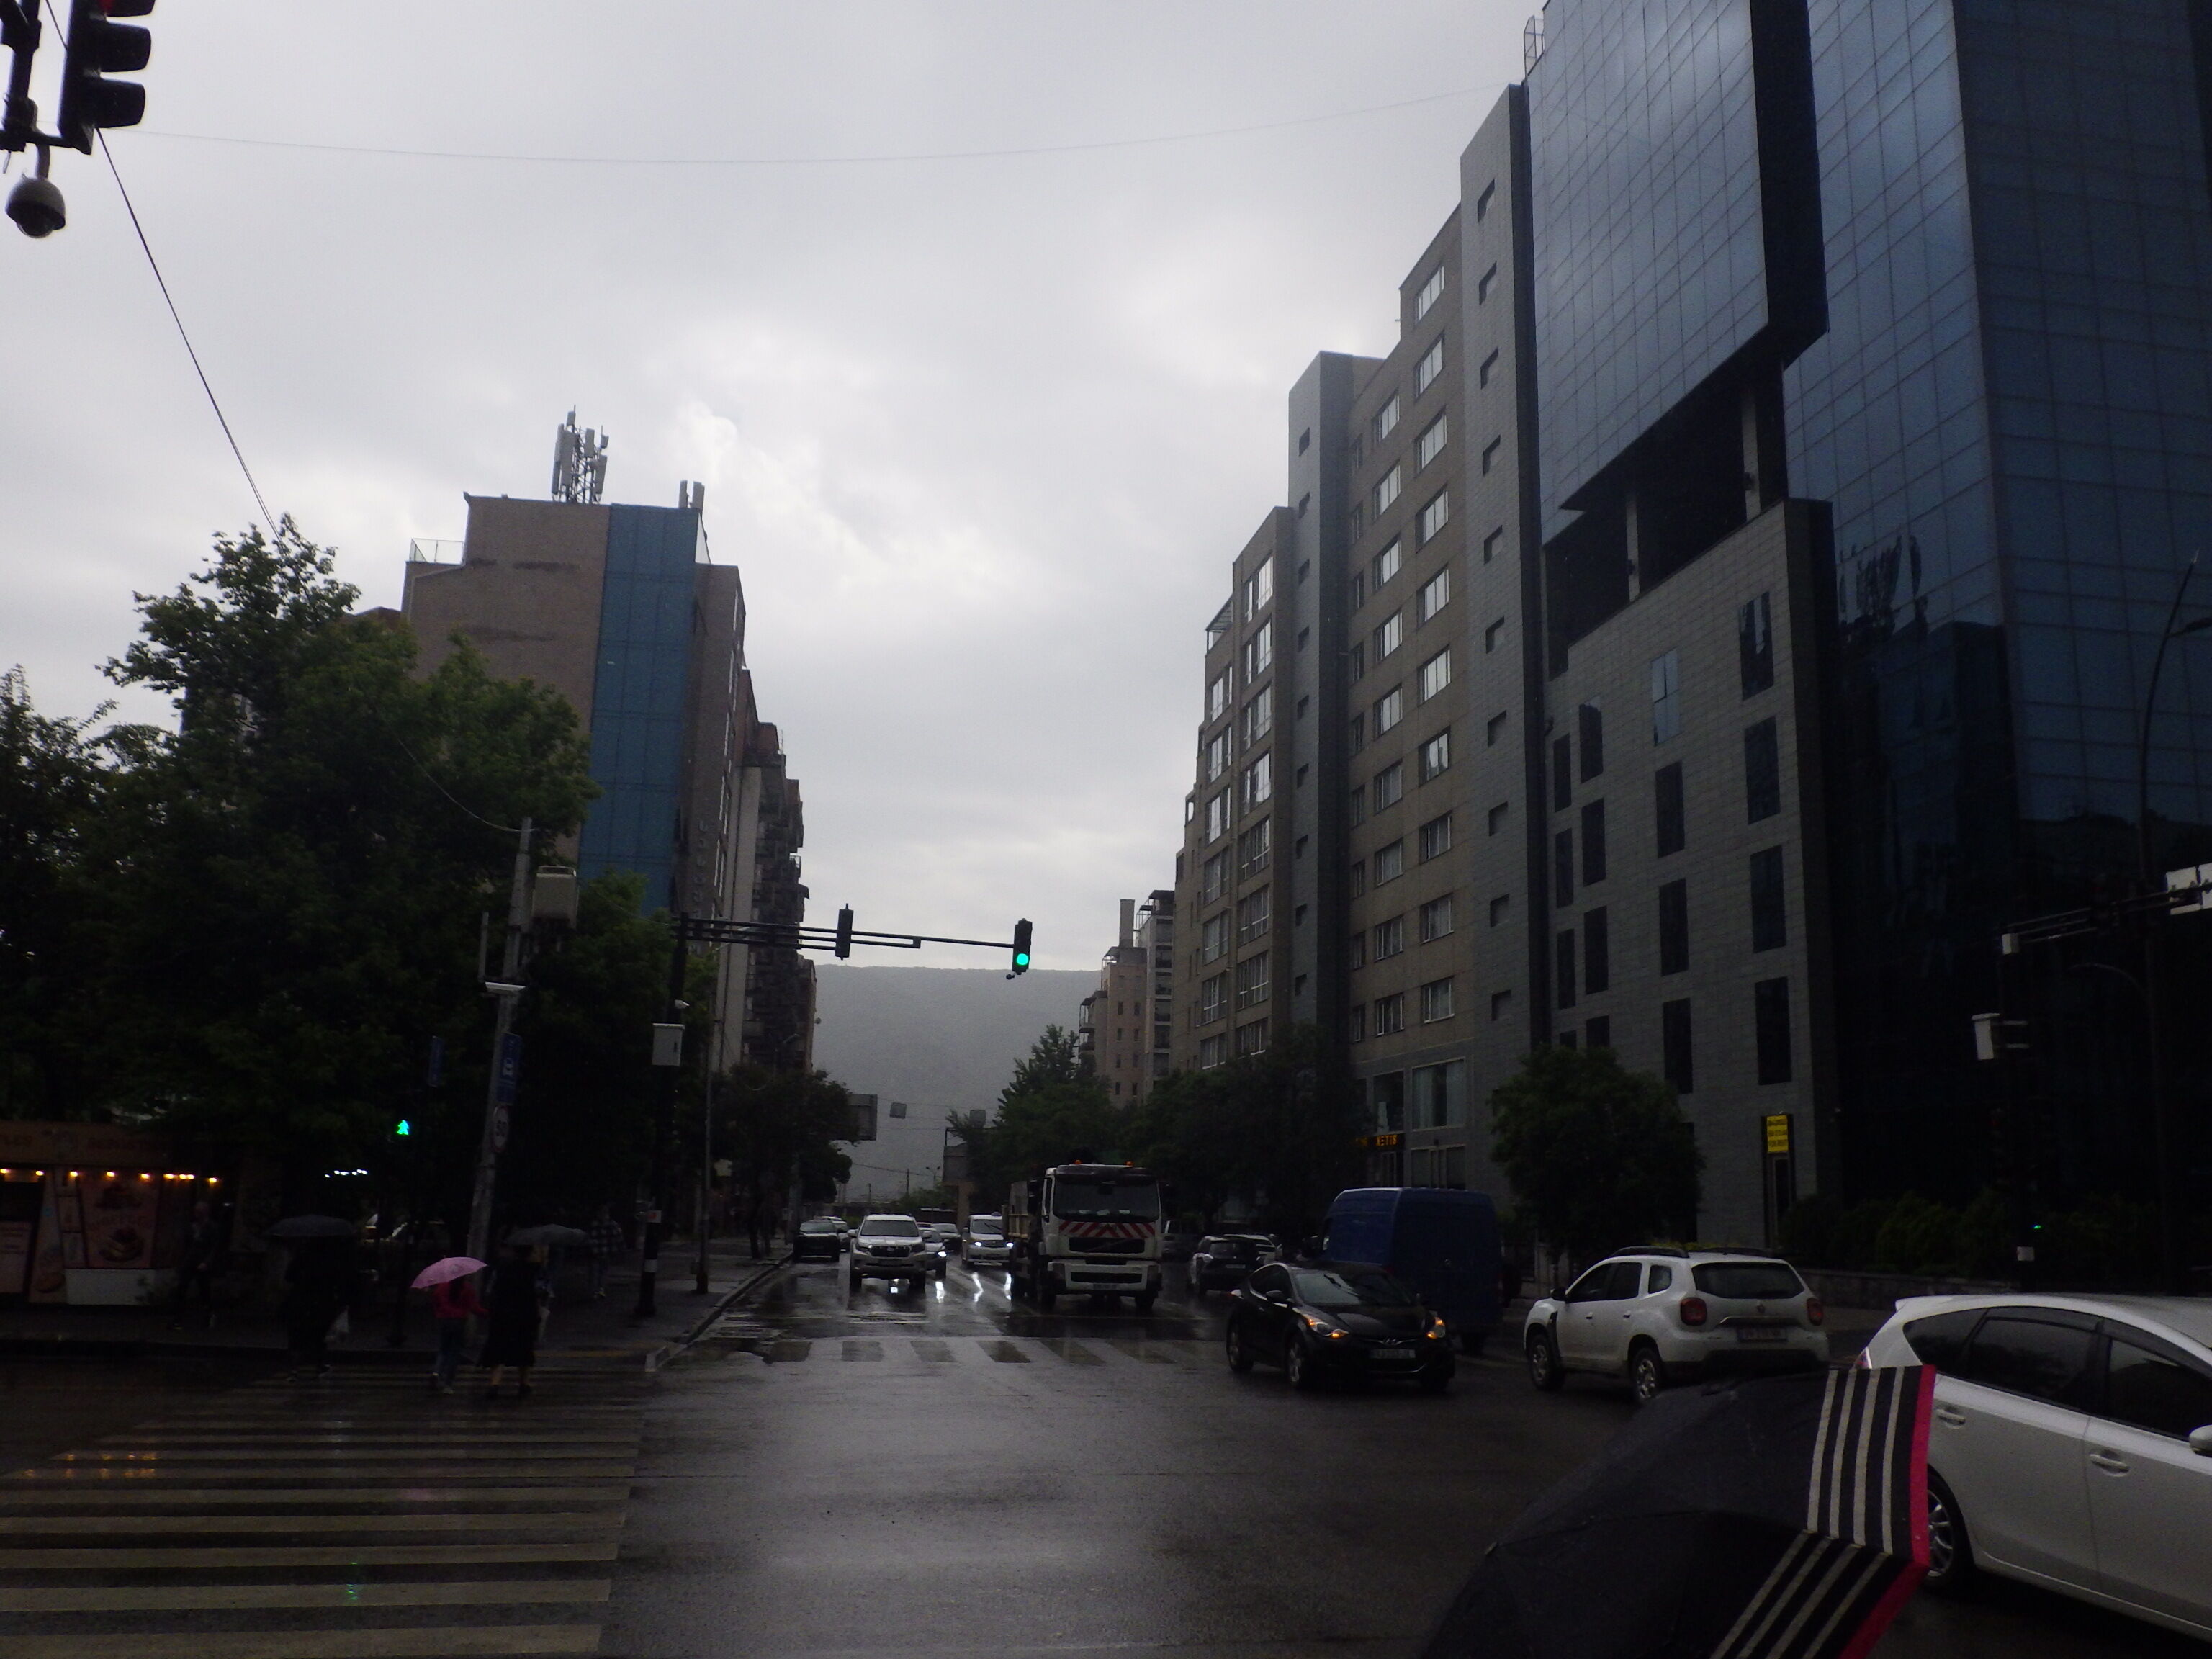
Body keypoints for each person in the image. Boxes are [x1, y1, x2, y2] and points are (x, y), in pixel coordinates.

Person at [282, 1236, 354, 1380]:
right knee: (319, 1335)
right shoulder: (329, 1262)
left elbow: (288, 1277)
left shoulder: (301, 1259)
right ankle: (320, 1366)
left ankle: (294, 1369)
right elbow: (337, 1281)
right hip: (322, 1301)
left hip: (300, 1300)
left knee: (296, 1336)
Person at [480, 1244, 542, 1400]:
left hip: (501, 1313)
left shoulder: (501, 1268)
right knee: (524, 1347)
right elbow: (541, 1291)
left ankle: (494, 1383)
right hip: (525, 1314)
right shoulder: (534, 1270)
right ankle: (524, 1383)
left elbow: (490, 1290)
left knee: (497, 1348)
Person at [428, 1269, 486, 1393]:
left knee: (443, 1349)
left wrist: (439, 1313)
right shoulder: (467, 1288)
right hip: (459, 1322)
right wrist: (487, 1313)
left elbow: (436, 1302)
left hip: (444, 1320)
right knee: (454, 1353)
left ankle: (436, 1372)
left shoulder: (442, 1287)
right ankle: (448, 1385)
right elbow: (474, 1307)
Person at [170, 1200, 222, 1330]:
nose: (196, 1214)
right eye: (196, 1212)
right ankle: (178, 1318)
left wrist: (206, 1262)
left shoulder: (212, 1227)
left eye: (199, 1212)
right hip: (189, 1261)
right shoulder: (191, 1227)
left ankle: (208, 1314)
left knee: (204, 1290)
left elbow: (215, 1247)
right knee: (182, 1289)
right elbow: (185, 1245)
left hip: (202, 1262)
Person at [586, 1205, 624, 1299]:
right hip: (606, 1252)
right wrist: (620, 1249)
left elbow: (589, 1239)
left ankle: (595, 1291)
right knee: (603, 1272)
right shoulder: (613, 1225)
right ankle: (600, 1290)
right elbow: (619, 1238)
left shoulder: (594, 1225)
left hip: (596, 1253)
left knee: (594, 1273)